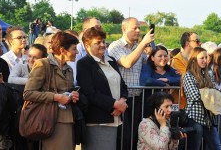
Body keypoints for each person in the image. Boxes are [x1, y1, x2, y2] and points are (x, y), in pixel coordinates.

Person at [23, 31, 80, 150]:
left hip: (67, 119)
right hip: (49, 120)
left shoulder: (69, 69)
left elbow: (66, 91)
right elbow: (28, 93)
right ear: (63, 50)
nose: (77, 52)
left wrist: (72, 95)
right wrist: (56, 97)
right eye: (74, 49)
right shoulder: (43, 64)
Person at [77, 27, 128, 150]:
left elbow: (123, 85)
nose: (103, 45)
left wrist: (122, 101)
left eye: (104, 41)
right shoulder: (84, 63)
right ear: (87, 46)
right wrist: (114, 104)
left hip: (116, 117)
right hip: (98, 119)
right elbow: (89, 92)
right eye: (98, 43)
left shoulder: (112, 61)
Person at [108, 17, 154, 150]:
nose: (138, 31)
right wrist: (142, 44)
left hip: (138, 98)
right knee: (124, 138)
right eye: (135, 28)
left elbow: (147, 68)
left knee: (136, 136)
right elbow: (127, 63)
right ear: (124, 29)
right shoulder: (115, 46)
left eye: (139, 28)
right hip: (121, 99)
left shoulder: (139, 48)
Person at [184, 47, 221, 150]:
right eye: (202, 58)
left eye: (206, 57)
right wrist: (209, 93)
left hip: (209, 118)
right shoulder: (189, 75)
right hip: (195, 116)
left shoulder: (208, 75)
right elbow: (194, 95)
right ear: (194, 59)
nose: (205, 60)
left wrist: (206, 93)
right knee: (195, 147)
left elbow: (217, 93)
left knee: (216, 146)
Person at [140, 45, 181, 116]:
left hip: (169, 107)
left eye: (165, 56)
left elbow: (181, 80)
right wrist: (164, 85)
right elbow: (146, 80)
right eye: (160, 56)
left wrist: (168, 80)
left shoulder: (170, 69)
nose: (163, 58)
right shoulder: (147, 67)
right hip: (151, 107)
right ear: (152, 58)